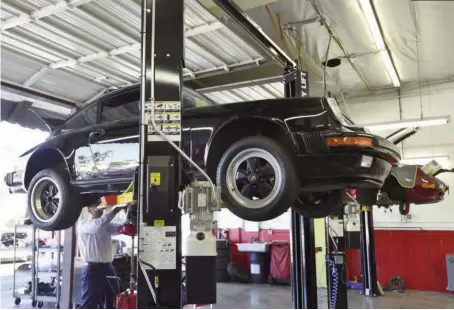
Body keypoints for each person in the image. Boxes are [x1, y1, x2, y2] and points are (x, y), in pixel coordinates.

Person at [77, 203, 135, 309]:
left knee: (113, 299)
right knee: (90, 302)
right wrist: (116, 210)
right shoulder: (84, 225)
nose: (102, 209)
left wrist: (128, 213)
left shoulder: (105, 225)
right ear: (90, 210)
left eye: (102, 207)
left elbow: (121, 228)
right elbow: (99, 223)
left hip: (108, 267)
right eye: (98, 208)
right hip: (93, 269)